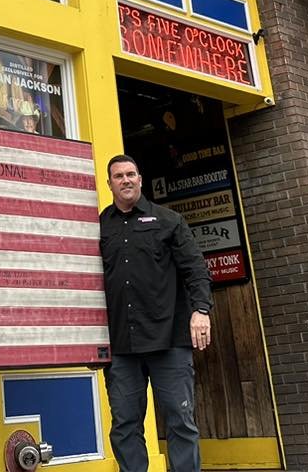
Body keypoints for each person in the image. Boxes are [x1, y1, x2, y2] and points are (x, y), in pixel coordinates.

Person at [99, 154, 212, 472]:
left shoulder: (168, 221)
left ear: (140, 179)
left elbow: (196, 271)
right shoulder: (100, 227)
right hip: (122, 346)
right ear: (110, 184)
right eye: (118, 176)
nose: (126, 180)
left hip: (170, 341)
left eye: (131, 174)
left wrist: (201, 310)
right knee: (125, 426)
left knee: (180, 421)